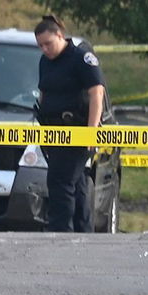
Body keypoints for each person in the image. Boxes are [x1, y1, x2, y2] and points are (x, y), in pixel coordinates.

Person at [34, 15, 108, 233]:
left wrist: (91, 132)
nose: (44, 49)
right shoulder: (45, 61)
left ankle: (60, 232)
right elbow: (44, 92)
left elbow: (97, 93)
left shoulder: (80, 57)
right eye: (40, 45)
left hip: (77, 130)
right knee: (77, 183)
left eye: (48, 43)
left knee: (59, 180)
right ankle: (84, 232)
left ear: (60, 35)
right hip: (54, 132)